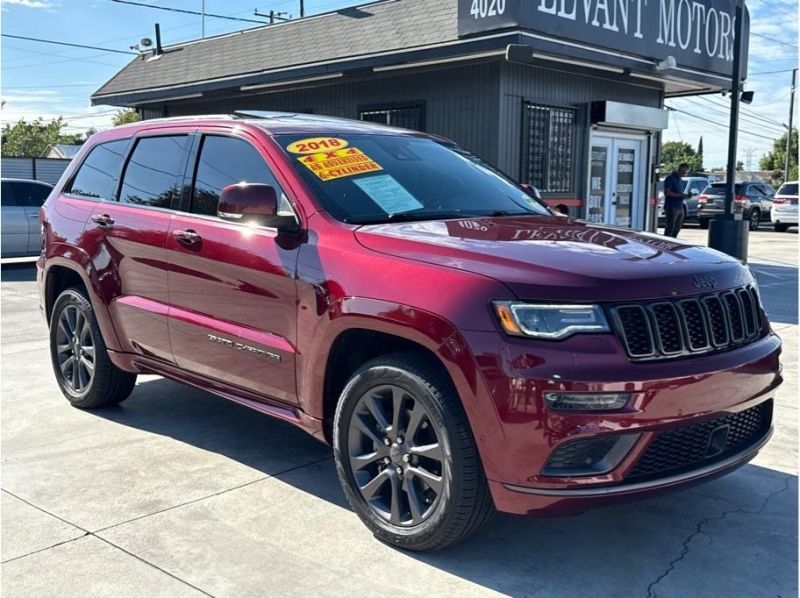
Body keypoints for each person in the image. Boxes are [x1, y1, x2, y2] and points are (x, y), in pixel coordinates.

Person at [663, 163, 691, 238]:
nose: (684, 174)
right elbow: (667, 193)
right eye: (683, 172)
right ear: (679, 169)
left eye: (685, 173)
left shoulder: (680, 180)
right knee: (670, 228)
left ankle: (674, 241)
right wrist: (681, 195)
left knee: (677, 227)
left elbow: (679, 192)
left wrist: (686, 195)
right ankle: (667, 243)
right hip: (672, 206)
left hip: (680, 206)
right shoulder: (671, 178)